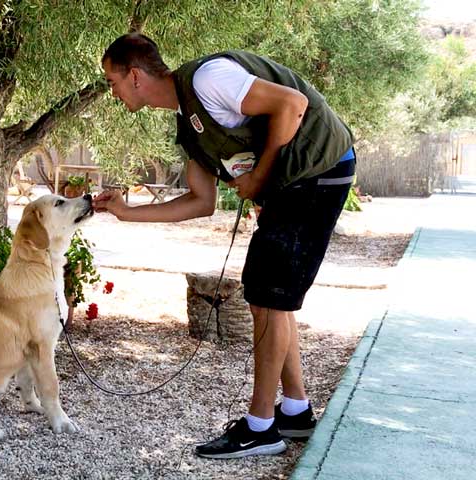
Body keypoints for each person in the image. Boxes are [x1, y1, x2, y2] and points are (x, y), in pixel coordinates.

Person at [94, 33, 355, 460]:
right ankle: (295, 410)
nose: (113, 92)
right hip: (293, 183)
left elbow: (292, 105)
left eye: (112, 81)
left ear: (135, 76)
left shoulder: (208, 79)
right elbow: (201, 202)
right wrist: (127, 212)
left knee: (268, 295)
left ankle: (260, 428)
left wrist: (257, 180)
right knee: (272, 296)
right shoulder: (188, 126)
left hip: (319, 169)